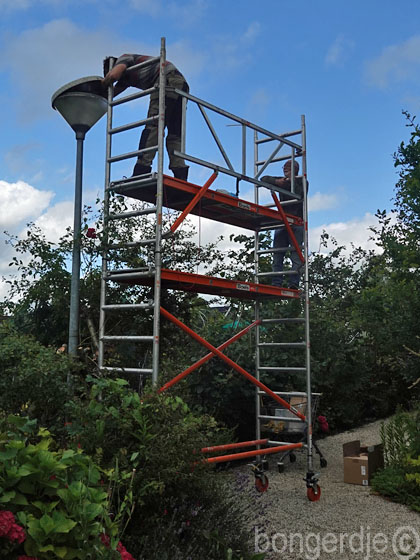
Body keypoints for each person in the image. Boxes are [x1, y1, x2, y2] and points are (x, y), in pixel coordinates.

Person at [102, 53, 190, 180]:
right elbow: (111, 94)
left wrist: (104, 81)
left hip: (166, 81)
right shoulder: (127, 78)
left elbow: (114, 75)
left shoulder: (124, 59)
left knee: (153, 125)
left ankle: (141, 169)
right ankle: (180, 173)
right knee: (175, 133)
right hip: (181, 85)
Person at [261, 160, 307, 289]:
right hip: (282, 221)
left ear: (296, 169)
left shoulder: (302, 181)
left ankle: (293, 283)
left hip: (296, 222)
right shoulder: (282, 180)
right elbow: (263, 178)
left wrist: (291, 180)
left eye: (289, 167)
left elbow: (300, 194)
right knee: (277, 253)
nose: (285, 169)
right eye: (284, 167)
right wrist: (277, 182)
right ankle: (276, 283)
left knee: (295, 254)